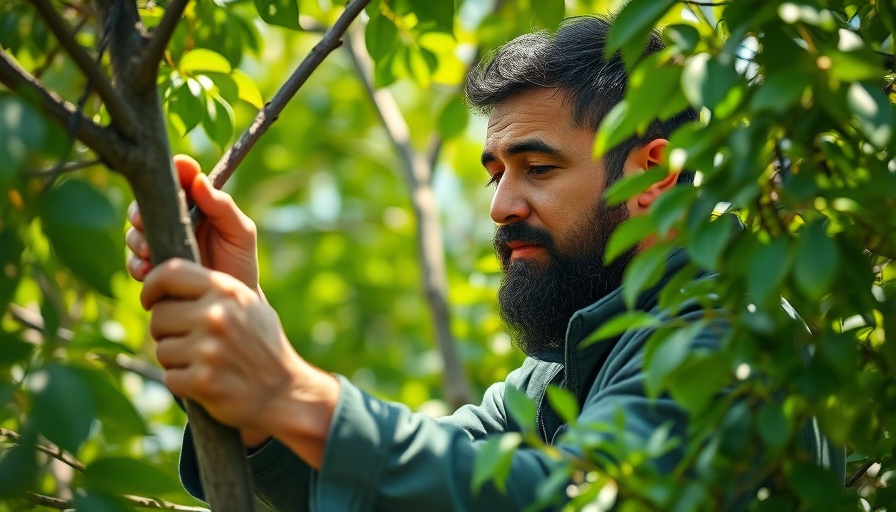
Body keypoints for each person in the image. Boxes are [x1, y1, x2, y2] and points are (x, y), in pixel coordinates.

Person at [127, 16, 843, 511]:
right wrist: (243, 335)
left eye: (537, 167)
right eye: (494, 171)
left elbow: (568, 498)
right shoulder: (564, 368)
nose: (501, 205)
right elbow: (404, 486)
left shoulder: (721, 336)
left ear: (651, 174)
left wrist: (293, 389)